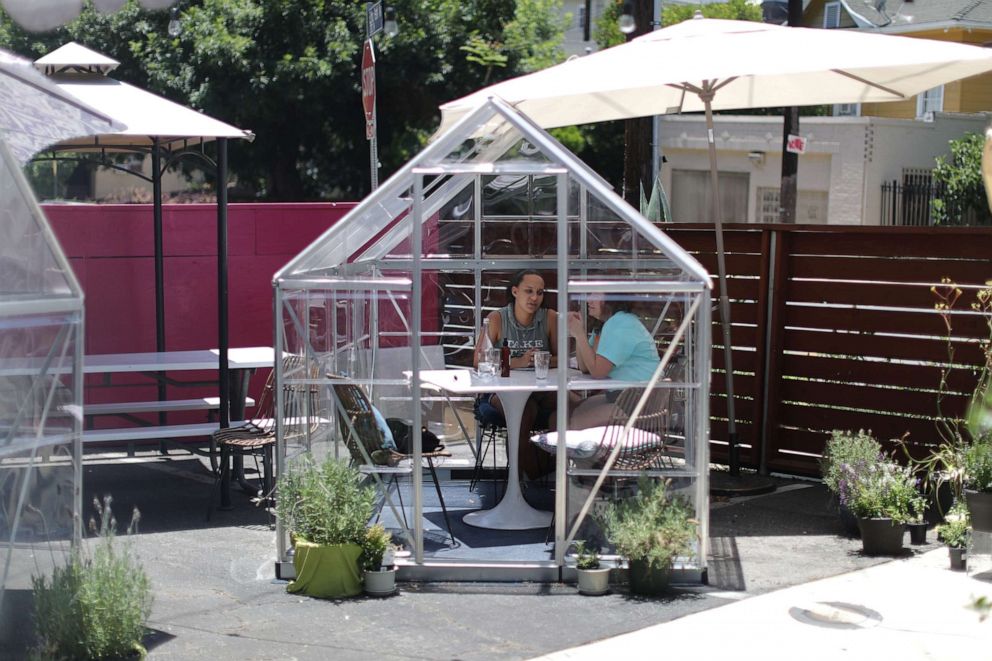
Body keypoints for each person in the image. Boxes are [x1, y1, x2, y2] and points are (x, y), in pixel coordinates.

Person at [472, 270, 560, 480]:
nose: (534, 298)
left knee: (568, 406)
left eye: (539, 293)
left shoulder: (549, 317)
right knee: (523, 412)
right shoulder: (497, 318)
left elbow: (563, 358)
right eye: (528, 291)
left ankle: (560, 473)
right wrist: (518, 362)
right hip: (503, 392)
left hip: (541, 389)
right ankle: (523, 477)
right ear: (514, 291)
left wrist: (542, 359)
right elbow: (478, 361)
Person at [566, 294, 661, 429]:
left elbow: (598, 372)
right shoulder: (608, 324)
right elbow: (585, 367)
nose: (589, 300)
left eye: (595, 294)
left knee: (565, 423)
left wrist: (580, 335)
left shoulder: (620, 323)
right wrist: (578, 333)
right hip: (625, 398)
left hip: (637, 404)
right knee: (565, 414)